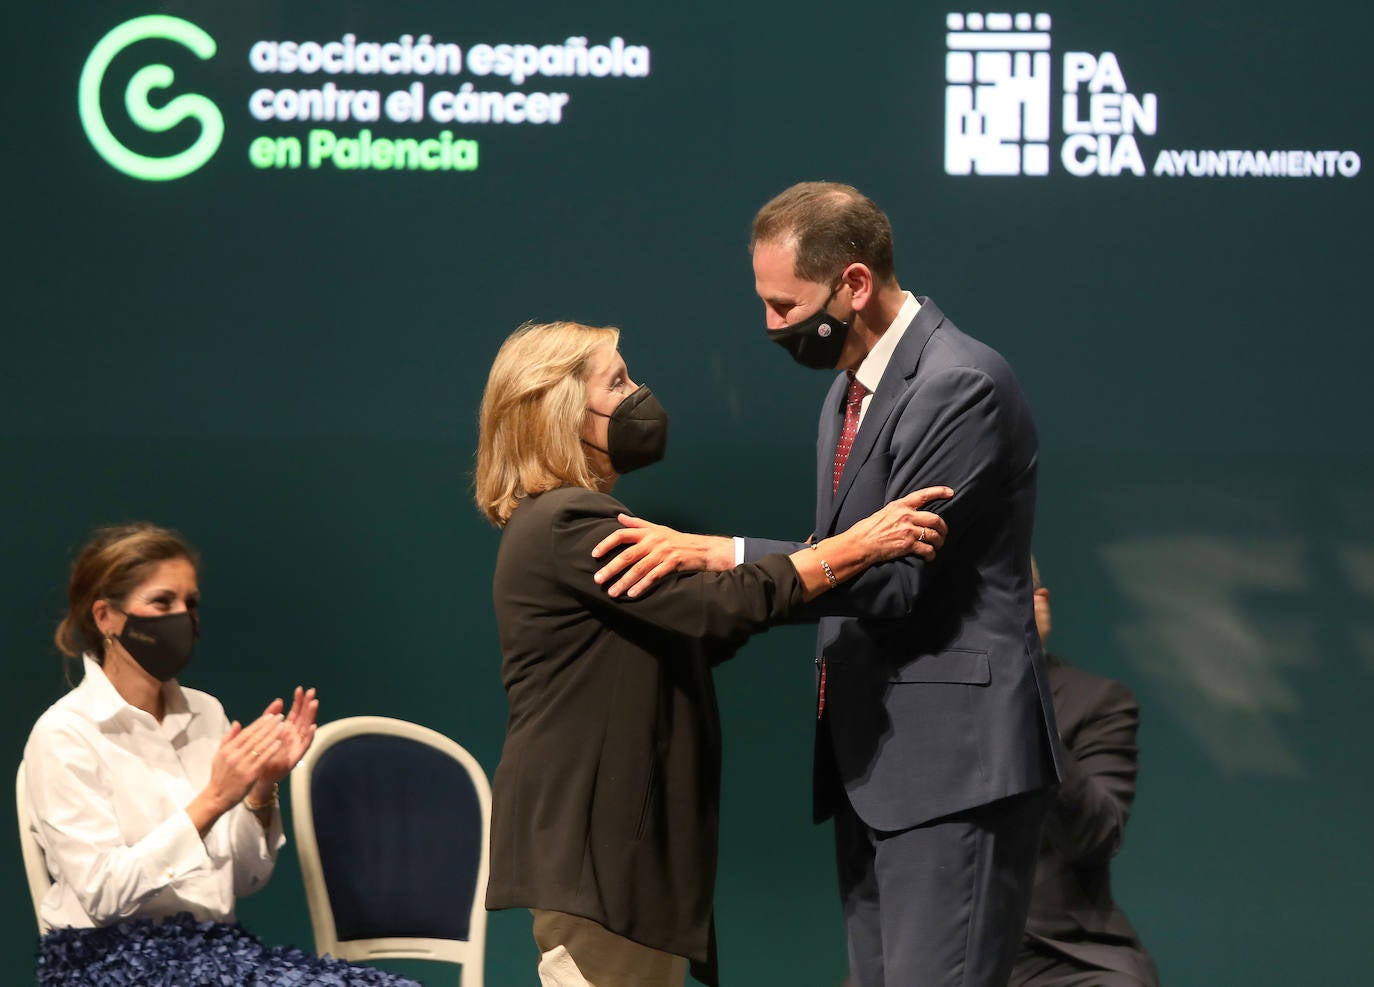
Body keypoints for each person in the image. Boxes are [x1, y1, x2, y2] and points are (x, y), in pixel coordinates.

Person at [591, 181, 1065, 987]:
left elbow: (889, 581)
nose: (773, 325)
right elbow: (842, 553)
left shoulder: (959, 383)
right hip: (872, 759)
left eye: (785, 304)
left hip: (952, 766)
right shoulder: (844, 395)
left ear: (853, 282)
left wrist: (721, 553)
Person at [473, 320, 954, 987]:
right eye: (617, 381)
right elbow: (719, 604)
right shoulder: (566, 522)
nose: (638, 393)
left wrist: (808, 559)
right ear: (560, 410)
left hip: (619, 857)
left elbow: (703, 622)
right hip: (599, 849)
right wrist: (854, 547)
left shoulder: (566, 521)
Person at [23, 522, 419, 987]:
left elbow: (245, 882)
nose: (182, 618)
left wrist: (260, 789)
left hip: (214, 952)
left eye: (190, 604)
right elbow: (102, 894)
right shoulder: (65, 733)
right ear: (106, 617)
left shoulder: (205, 712)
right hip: (105, 961)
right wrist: (211, 800)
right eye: (161, 602)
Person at [1010, 560, 1160, 987]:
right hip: (927, 951)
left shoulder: (1097, 702)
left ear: (1039, 605)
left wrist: (1021, 701)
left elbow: (1094, 838)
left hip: (1059, 956)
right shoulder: (916, 706)